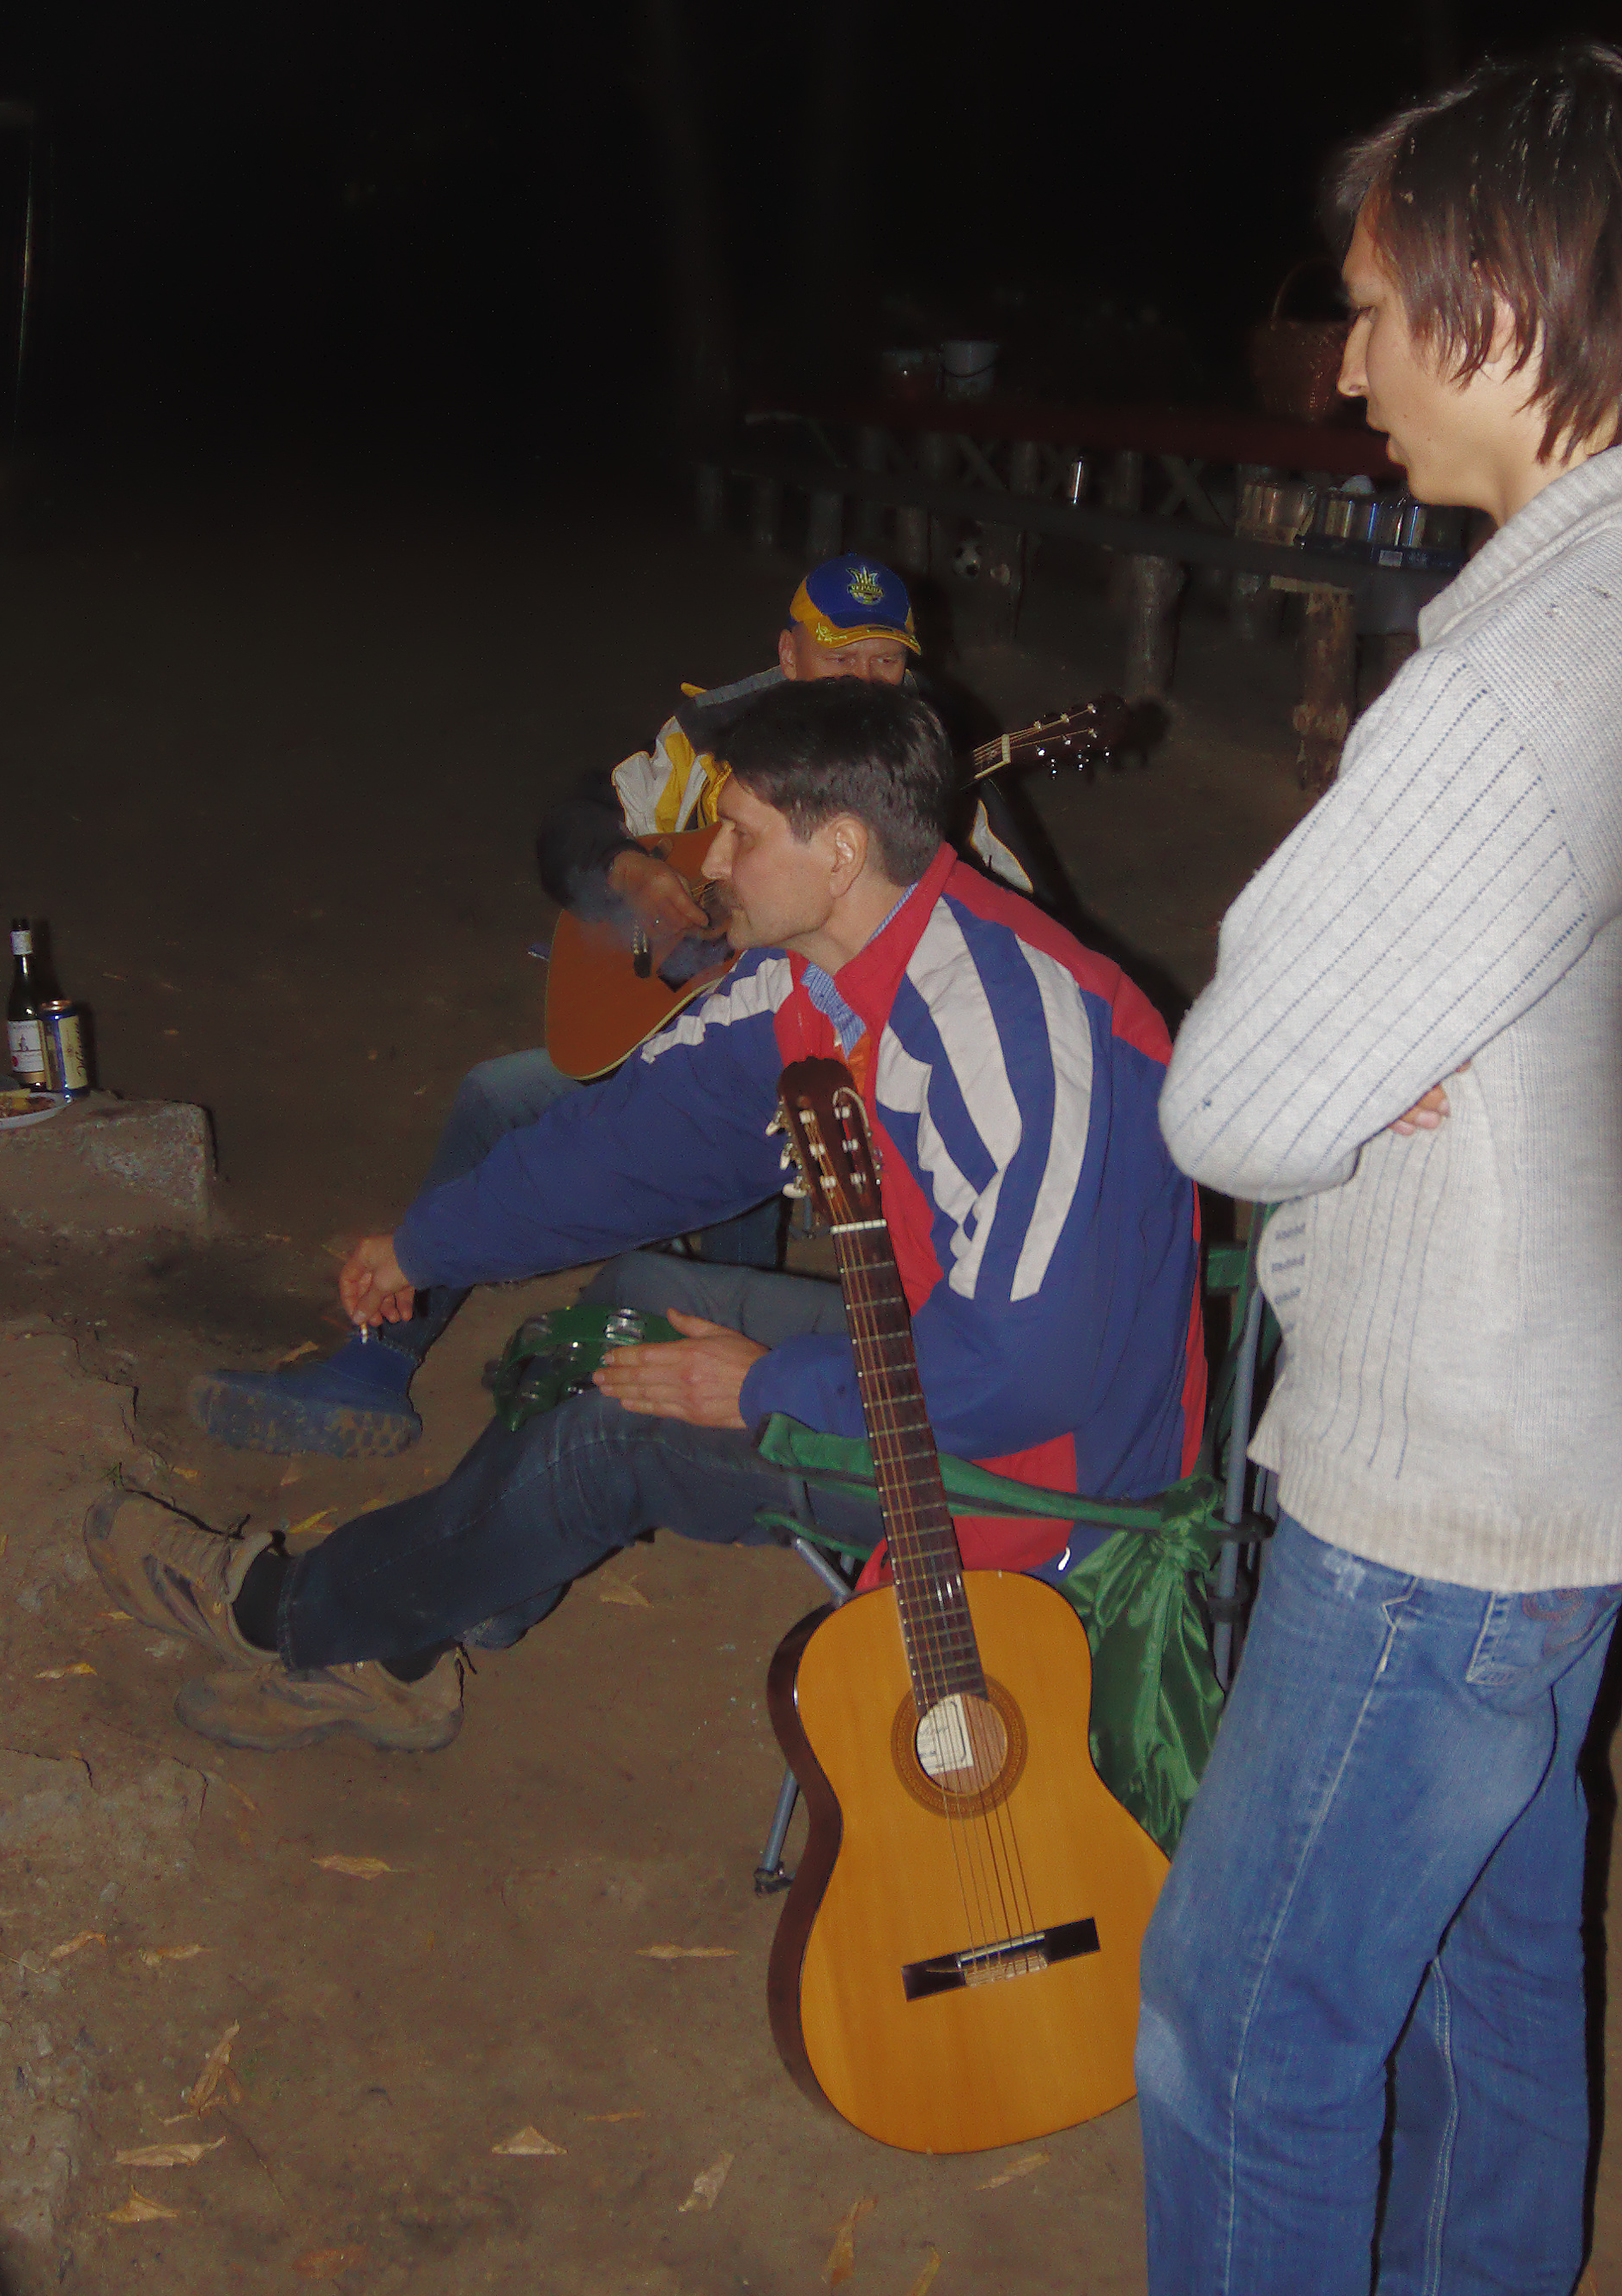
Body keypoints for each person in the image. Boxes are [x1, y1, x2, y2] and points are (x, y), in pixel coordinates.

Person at [944, 41, 1622, 2296]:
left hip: (1441, 1470)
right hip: (1575, 1444)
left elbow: (1227, 1101)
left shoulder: (1496, 694)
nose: (1336, 370)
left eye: (1364, 311)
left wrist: (1317, 997)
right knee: (1492, 1927)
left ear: (1496, 303)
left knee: (1246, 1998)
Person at [88, 681, 1202, 1755]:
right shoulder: (820, 971)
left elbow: (1032, 1375)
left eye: (740, 834)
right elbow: (634, 1142)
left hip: (1047, 1475)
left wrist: (765, 1386)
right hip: (955, 1356)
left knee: (618, 1438)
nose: (710, 864)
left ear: (841, 853)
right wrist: (425, 1246)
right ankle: (409, 1641)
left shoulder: (1001, 1040)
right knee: (632, 1309)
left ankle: (283, 1616)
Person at [186, 553, 1040, 1463]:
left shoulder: (925, 779)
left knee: (727, 1137)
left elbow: (1016, 938)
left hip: (829, 1068)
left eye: (887, 661)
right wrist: (631, 870)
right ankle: (372, 1364)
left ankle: (717, 1400)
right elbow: (573, 822)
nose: (866, 684)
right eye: (842, 657)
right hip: (694, 1029)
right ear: (789, 656)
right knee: (498, 1097)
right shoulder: (709, 738)